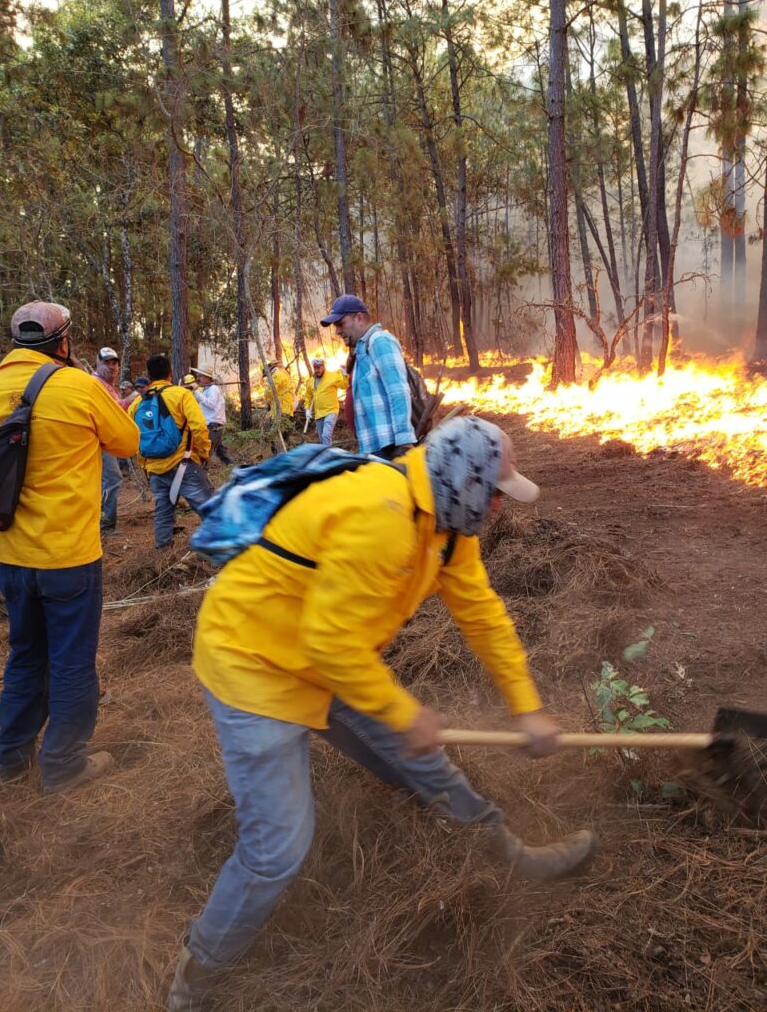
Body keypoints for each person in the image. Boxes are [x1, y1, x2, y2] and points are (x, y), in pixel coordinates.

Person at [167, 416, 596, 1010]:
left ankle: (509, 856)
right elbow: (330, 643)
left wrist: (527, 708)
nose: (500, 507)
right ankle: (196, 978)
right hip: (255, 668)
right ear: (465, 482)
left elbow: (484, 615)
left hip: (331, 661)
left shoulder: (447, 528)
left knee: (426, 765)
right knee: (277, 850)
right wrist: (403, 711)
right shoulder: (380, 517)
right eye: (496, 493)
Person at [0, 301, 139, 795]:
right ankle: (62, 764)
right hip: (68, 559)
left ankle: (11, 758)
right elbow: (126, 442)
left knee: (24, 655)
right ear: (62, 342)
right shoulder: (78, 386)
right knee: (72, 661)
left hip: (11, 557)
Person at [128, 354, 213, 549]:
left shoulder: (137, 404)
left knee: (163, 512)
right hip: (184, 463)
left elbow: (134, 437)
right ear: (170, 373)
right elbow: (199, 427)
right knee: (208, 509)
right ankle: (225, 550)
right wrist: (204, 454)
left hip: (155, 469)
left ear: (149, 376)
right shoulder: (181, 394)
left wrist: (145, 465)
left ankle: (162, 554)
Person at [321, 294, 416, 460]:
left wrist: (404, 441)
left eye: (340, 324)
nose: (337, 331)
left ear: (359, 318)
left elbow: (398, 390)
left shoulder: (380, 341)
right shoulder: (361, 349)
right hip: (373, 447)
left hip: (389, 447)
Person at [92, 346, 131, 534]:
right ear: (98, 363)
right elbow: (111, 410)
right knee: (113, 478)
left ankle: (98, 521)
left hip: (107, 440)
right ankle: (106, 525)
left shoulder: (108, 386)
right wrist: (131, 399)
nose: (112, 366)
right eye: (106, 362)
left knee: (103, 481)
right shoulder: (95, 383)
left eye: (114, 362)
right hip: (98, 440)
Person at [189, 365, 234, 466]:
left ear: (207, 378)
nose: (198, 378)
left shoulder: (213, 389)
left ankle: (203, 474)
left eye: (200, 376)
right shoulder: (206, 390)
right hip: (212, 425)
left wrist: (196, 391)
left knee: (205, 452)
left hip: (213, 426)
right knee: (221, 452)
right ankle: (234, 467)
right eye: (197, 375)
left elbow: (211, 404)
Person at [303, 356, 348, 445]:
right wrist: (307, 409)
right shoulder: (311, 381)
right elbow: (308, 396)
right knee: (322, 439)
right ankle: (327, 454)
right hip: (319, 414)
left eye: (319, 367)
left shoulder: (332, 376)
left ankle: (328, 456)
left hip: (331, 411)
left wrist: (345, 375)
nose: (317, 370)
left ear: (323, 366)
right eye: (315, 368)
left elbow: (344, 385)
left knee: (326, 435)